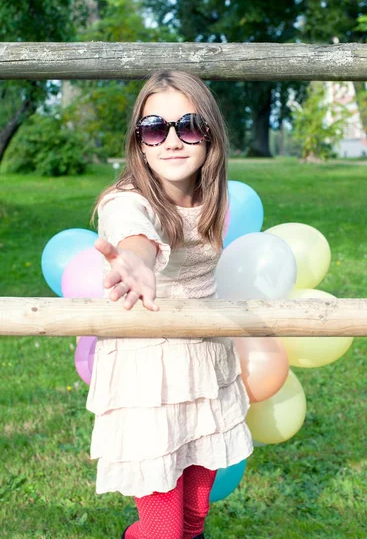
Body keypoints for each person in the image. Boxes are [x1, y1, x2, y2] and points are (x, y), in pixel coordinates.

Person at [87, 70, 253, 539]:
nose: (173, 141)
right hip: (149, 373)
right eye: (156, 128)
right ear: (140, 142)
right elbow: (136, 235)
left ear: (210, 136)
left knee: (194, 518)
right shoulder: (125, 201)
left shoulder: (213, 199)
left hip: (204, 362)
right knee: (163, 531)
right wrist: (138, 261)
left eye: (190, 125)